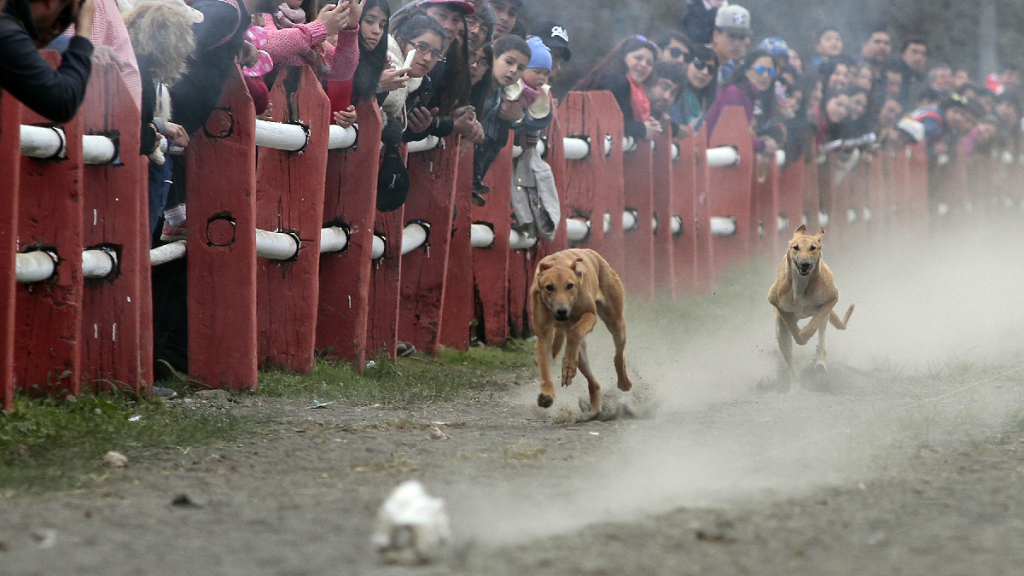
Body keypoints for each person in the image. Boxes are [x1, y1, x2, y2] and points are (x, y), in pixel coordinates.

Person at [123, 0, 193, 237]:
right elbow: (135, 130)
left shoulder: (131, 62)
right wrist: (157, 129)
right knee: (139, 234)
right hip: (133, 165)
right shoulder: (141, 73)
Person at [0, 0, 95, 123]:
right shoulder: (5, 33)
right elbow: (63, 102)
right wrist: (83, 32)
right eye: (63, 16)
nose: (56, 28)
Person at [472, 34, 531, 195]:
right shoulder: (477, 83)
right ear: (493, 58)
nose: (513, 70)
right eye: (509, 62)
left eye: (520, 68)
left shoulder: (501, 92)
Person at [574, 35, 662, 142]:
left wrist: (651, 125)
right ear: (623, 57)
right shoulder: (618, 81)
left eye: (649, 63)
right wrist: (642, 129)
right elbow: (604, 121)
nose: (643, 64)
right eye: (638, 58)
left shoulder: (638, 90)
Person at [704, 50, 785, 154]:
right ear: (746, 70)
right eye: (760, 70)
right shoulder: (734, 92)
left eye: (771, 72)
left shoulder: (750, 95)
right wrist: (762, 145)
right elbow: (730, 136)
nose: (765, 75)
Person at [671, 44, 717, 132]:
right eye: (699, 64)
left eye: (711, 69)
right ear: (687, 63)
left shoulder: (705, 103)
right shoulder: (672, 90)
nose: (705, 72)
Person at [709, 4, 751, 82]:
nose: (737, 43)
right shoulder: (697, 61)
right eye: (732, 36)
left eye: (742, 38)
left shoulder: (732, 69)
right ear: (716, 36)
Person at [644, 60, 686, 135]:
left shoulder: (664, 121)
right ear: (649, 83)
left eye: (673, 93)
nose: (667, 97)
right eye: (664, 87)